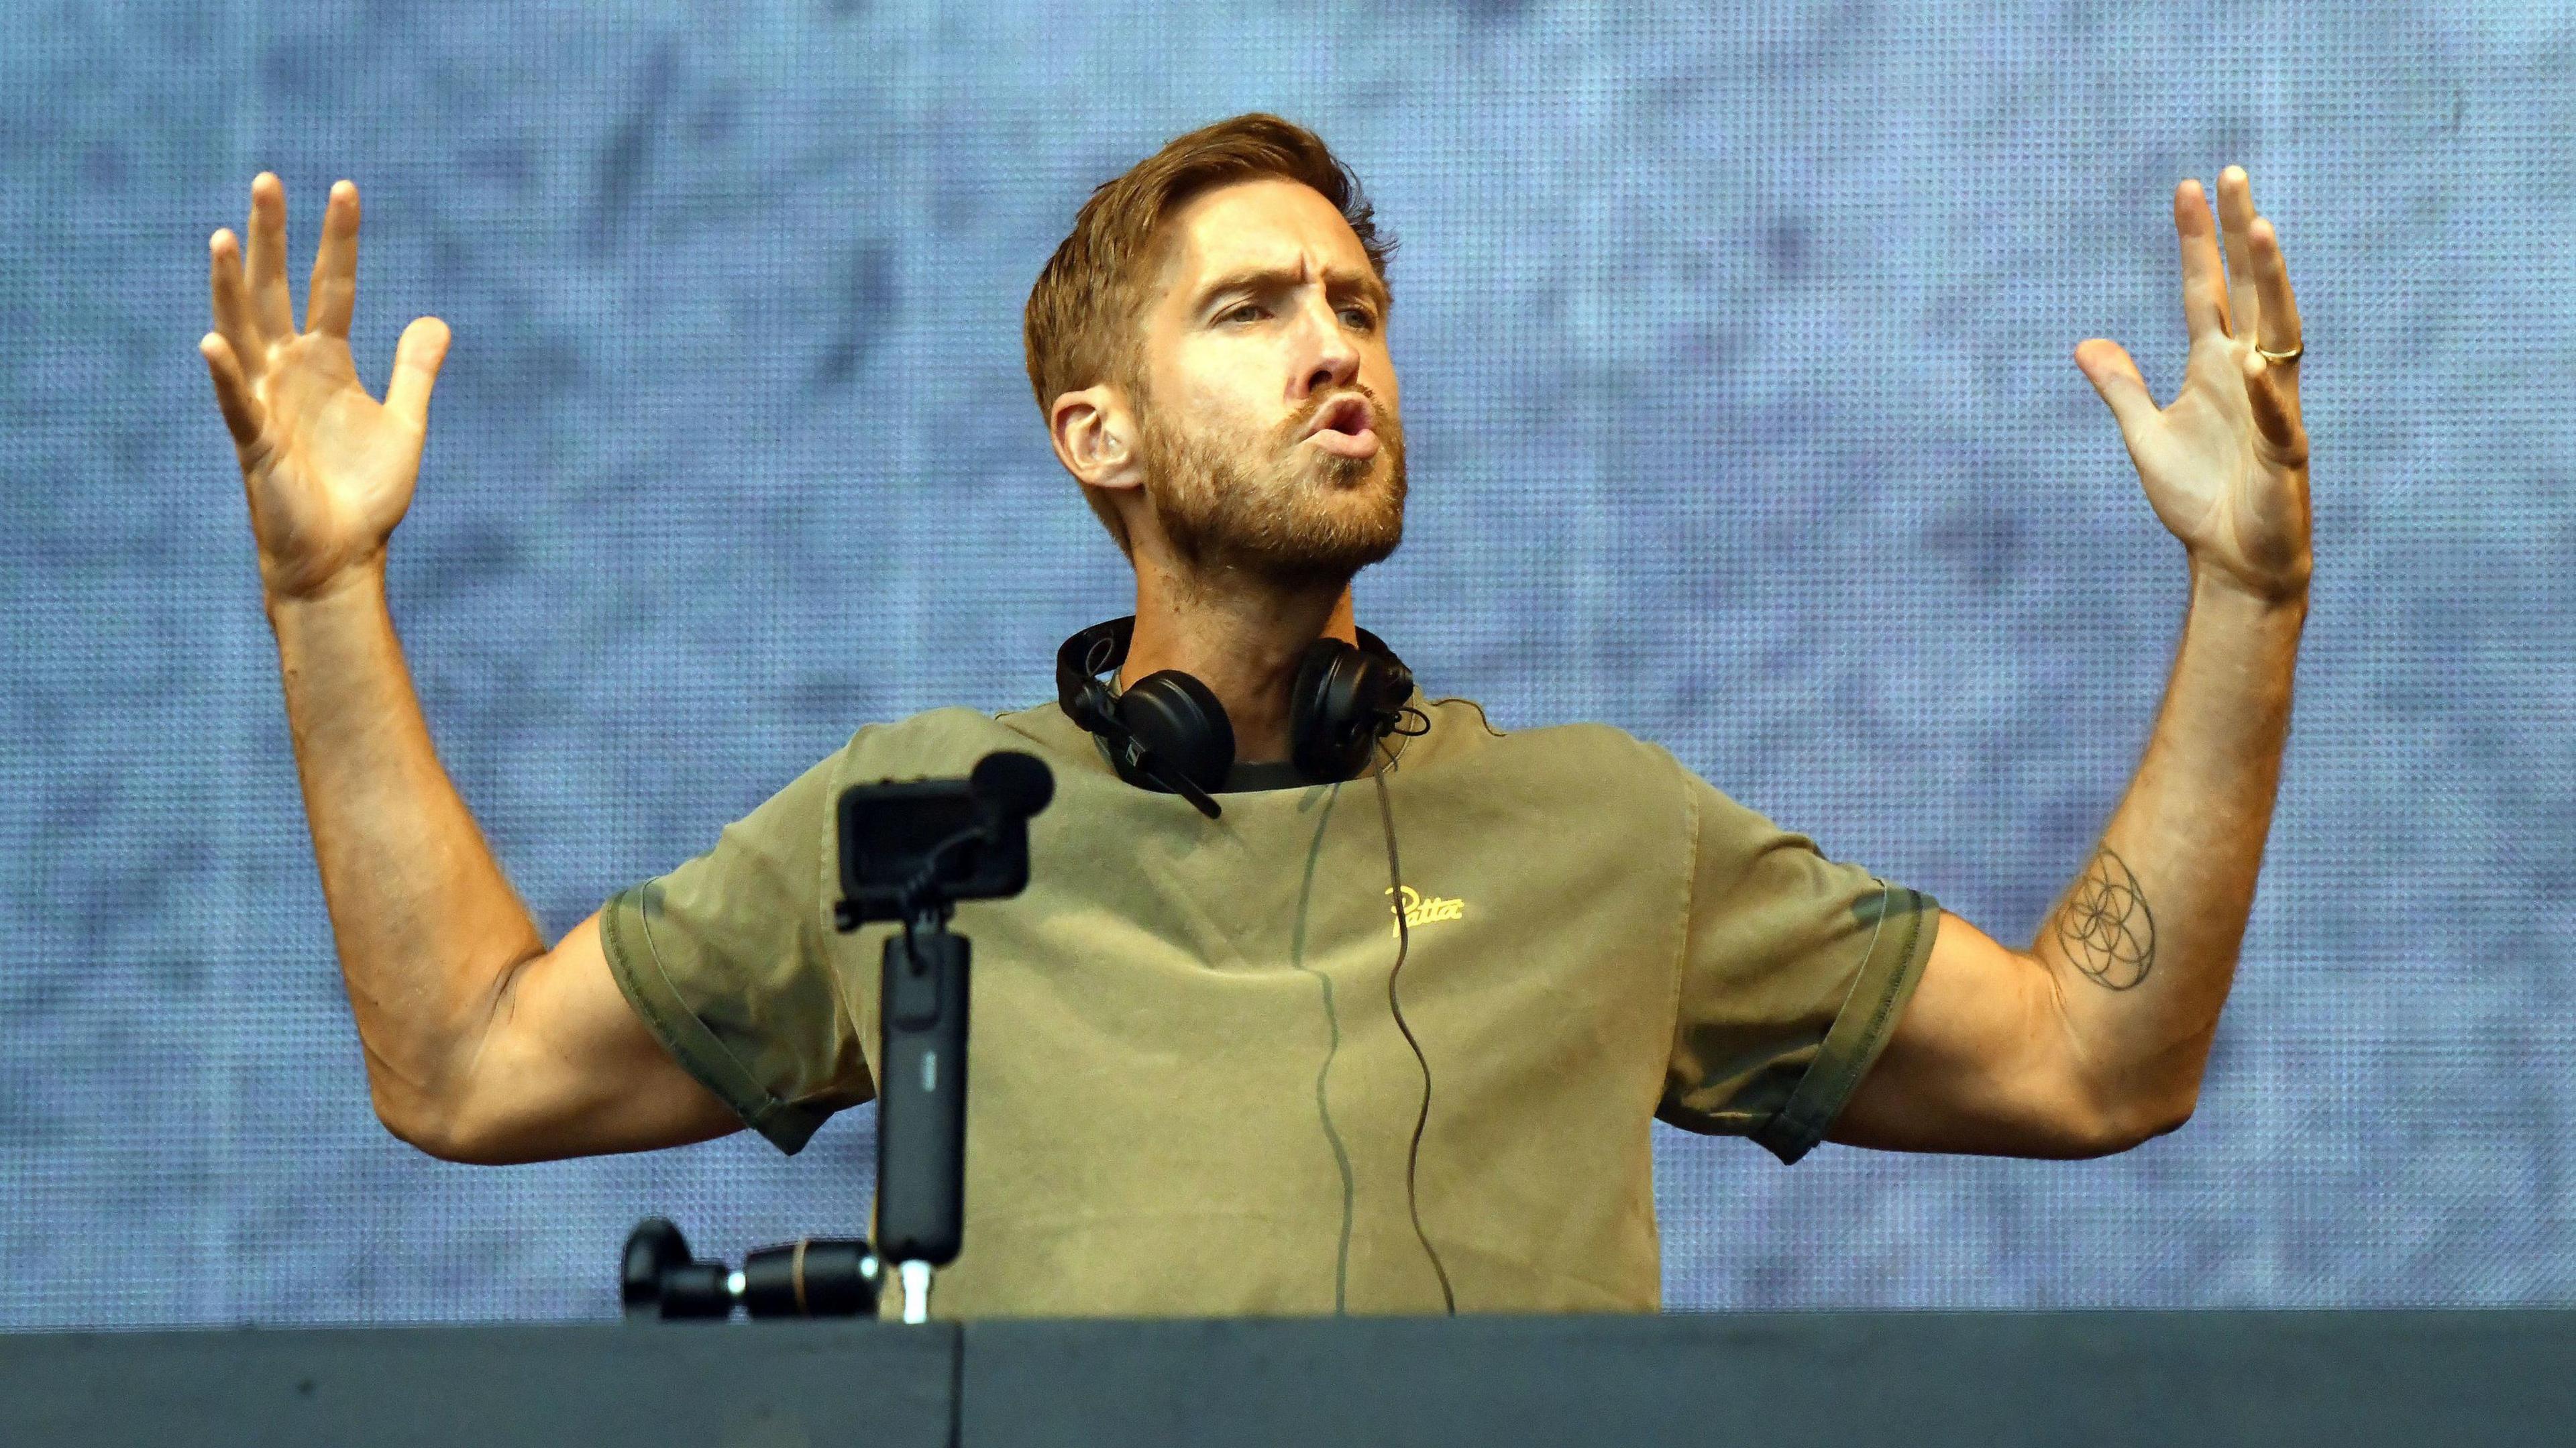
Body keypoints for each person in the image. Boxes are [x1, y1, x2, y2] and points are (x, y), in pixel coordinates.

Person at [197, 114, 2309, 1317]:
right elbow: (465, 1067)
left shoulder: (1609, 829)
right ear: (1095, 435)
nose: (1336, 349)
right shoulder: (926, 824)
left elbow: (2095, 1061)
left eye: (1359, 306)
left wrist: (2248, 594)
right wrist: (323, 592)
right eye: (1254, 309)